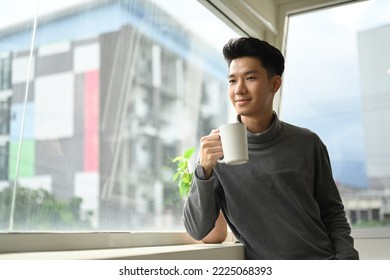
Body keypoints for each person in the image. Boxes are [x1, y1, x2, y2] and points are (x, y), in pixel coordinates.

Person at [183, 37, 359, 260]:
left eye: (250, 78)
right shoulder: (217, 150)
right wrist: (203, 169)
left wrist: (347, 261)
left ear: (274, 84)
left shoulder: (307, 142)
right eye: (232, 81)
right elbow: (197, 230)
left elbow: (332, 212)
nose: (239, 90)